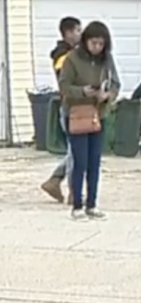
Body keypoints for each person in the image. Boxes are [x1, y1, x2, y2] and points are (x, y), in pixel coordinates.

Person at [58, 21, 120, 220]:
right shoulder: (72, 59)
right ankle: (77, 205)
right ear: (85, 41)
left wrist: (108, 95)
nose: (97, 47)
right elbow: (64, 87)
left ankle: (92, 204)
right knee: (80, 161)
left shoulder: (106, 59)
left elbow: (116, 83)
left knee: (95, 162)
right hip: (76, 113)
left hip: (98, 114)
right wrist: (82, 91)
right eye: (93, 43)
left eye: (101, 44)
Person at [39, 16, 81, 204]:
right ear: (68, 33)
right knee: (76, 151)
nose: (80, 34)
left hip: (78, 107)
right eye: (78, 30)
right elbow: (66, 75)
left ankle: (55, 181)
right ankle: (73, 191)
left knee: (76, 150)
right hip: (70, 107)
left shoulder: (73, 53)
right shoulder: (62, 55)